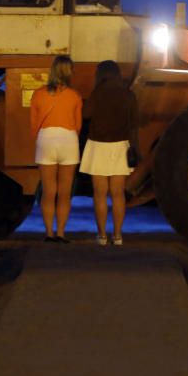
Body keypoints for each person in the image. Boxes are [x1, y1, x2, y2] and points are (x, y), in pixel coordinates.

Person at [81, 60, 139, 246]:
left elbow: (86, 115)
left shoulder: (97, 93)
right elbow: (134, 122)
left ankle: (102, 236)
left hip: (98, 146)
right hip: (120, 146)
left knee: (100, 193)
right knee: (117, 194)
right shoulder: (128, 95)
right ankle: (118, 235)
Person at [30, 55, 82, 243]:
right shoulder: (74, 96)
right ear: (69, 71)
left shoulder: (38, 94)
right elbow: (78, 126)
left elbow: (33, 125)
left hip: (46, 138)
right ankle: (61, 232)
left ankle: (48, 233)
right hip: (68, 139)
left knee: (48, 190)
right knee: (64, 192)